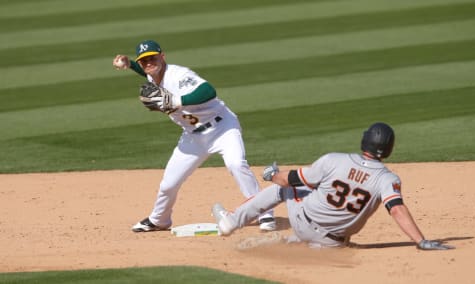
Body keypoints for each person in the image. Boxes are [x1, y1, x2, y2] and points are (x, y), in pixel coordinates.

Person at [113, 40, 275, 232]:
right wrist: (130, 64)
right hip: (193, 137)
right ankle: (159, 220)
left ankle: (264, 213)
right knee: (168, 184)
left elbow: (208, 91)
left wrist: (176, 100)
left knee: (236, 164)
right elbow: (149, 71)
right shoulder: (153, 74)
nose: (148, 63)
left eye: (152, 58)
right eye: (143, 61)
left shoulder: (180, 75)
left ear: (162, 57)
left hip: (223, 128)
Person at [212, 122, 454, 250]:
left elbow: (290, 180)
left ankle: (230, 222)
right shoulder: (388, 180)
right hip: (334, 243)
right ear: (388, 150)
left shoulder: (334, 160)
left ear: (364, 140)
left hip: (304, 223)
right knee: (319, 203)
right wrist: (420, 241)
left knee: (283, 190)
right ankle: (301, 245)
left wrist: (272, 174)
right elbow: (397, 209)